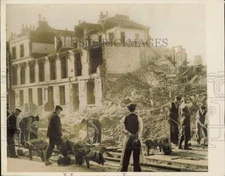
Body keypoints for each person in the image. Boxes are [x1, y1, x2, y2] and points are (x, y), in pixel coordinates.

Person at [120, 103, 143, 172]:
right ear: (135, 109)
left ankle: (124, 170)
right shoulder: (138, 118)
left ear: (128, 110)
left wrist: (128, 134)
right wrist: (137, 135)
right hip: (136, 138)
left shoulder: (125, 117)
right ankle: (137, 170)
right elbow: (140, 129)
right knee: (136, 156)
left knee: (126, 155)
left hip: (128, 138)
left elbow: (122, 128)